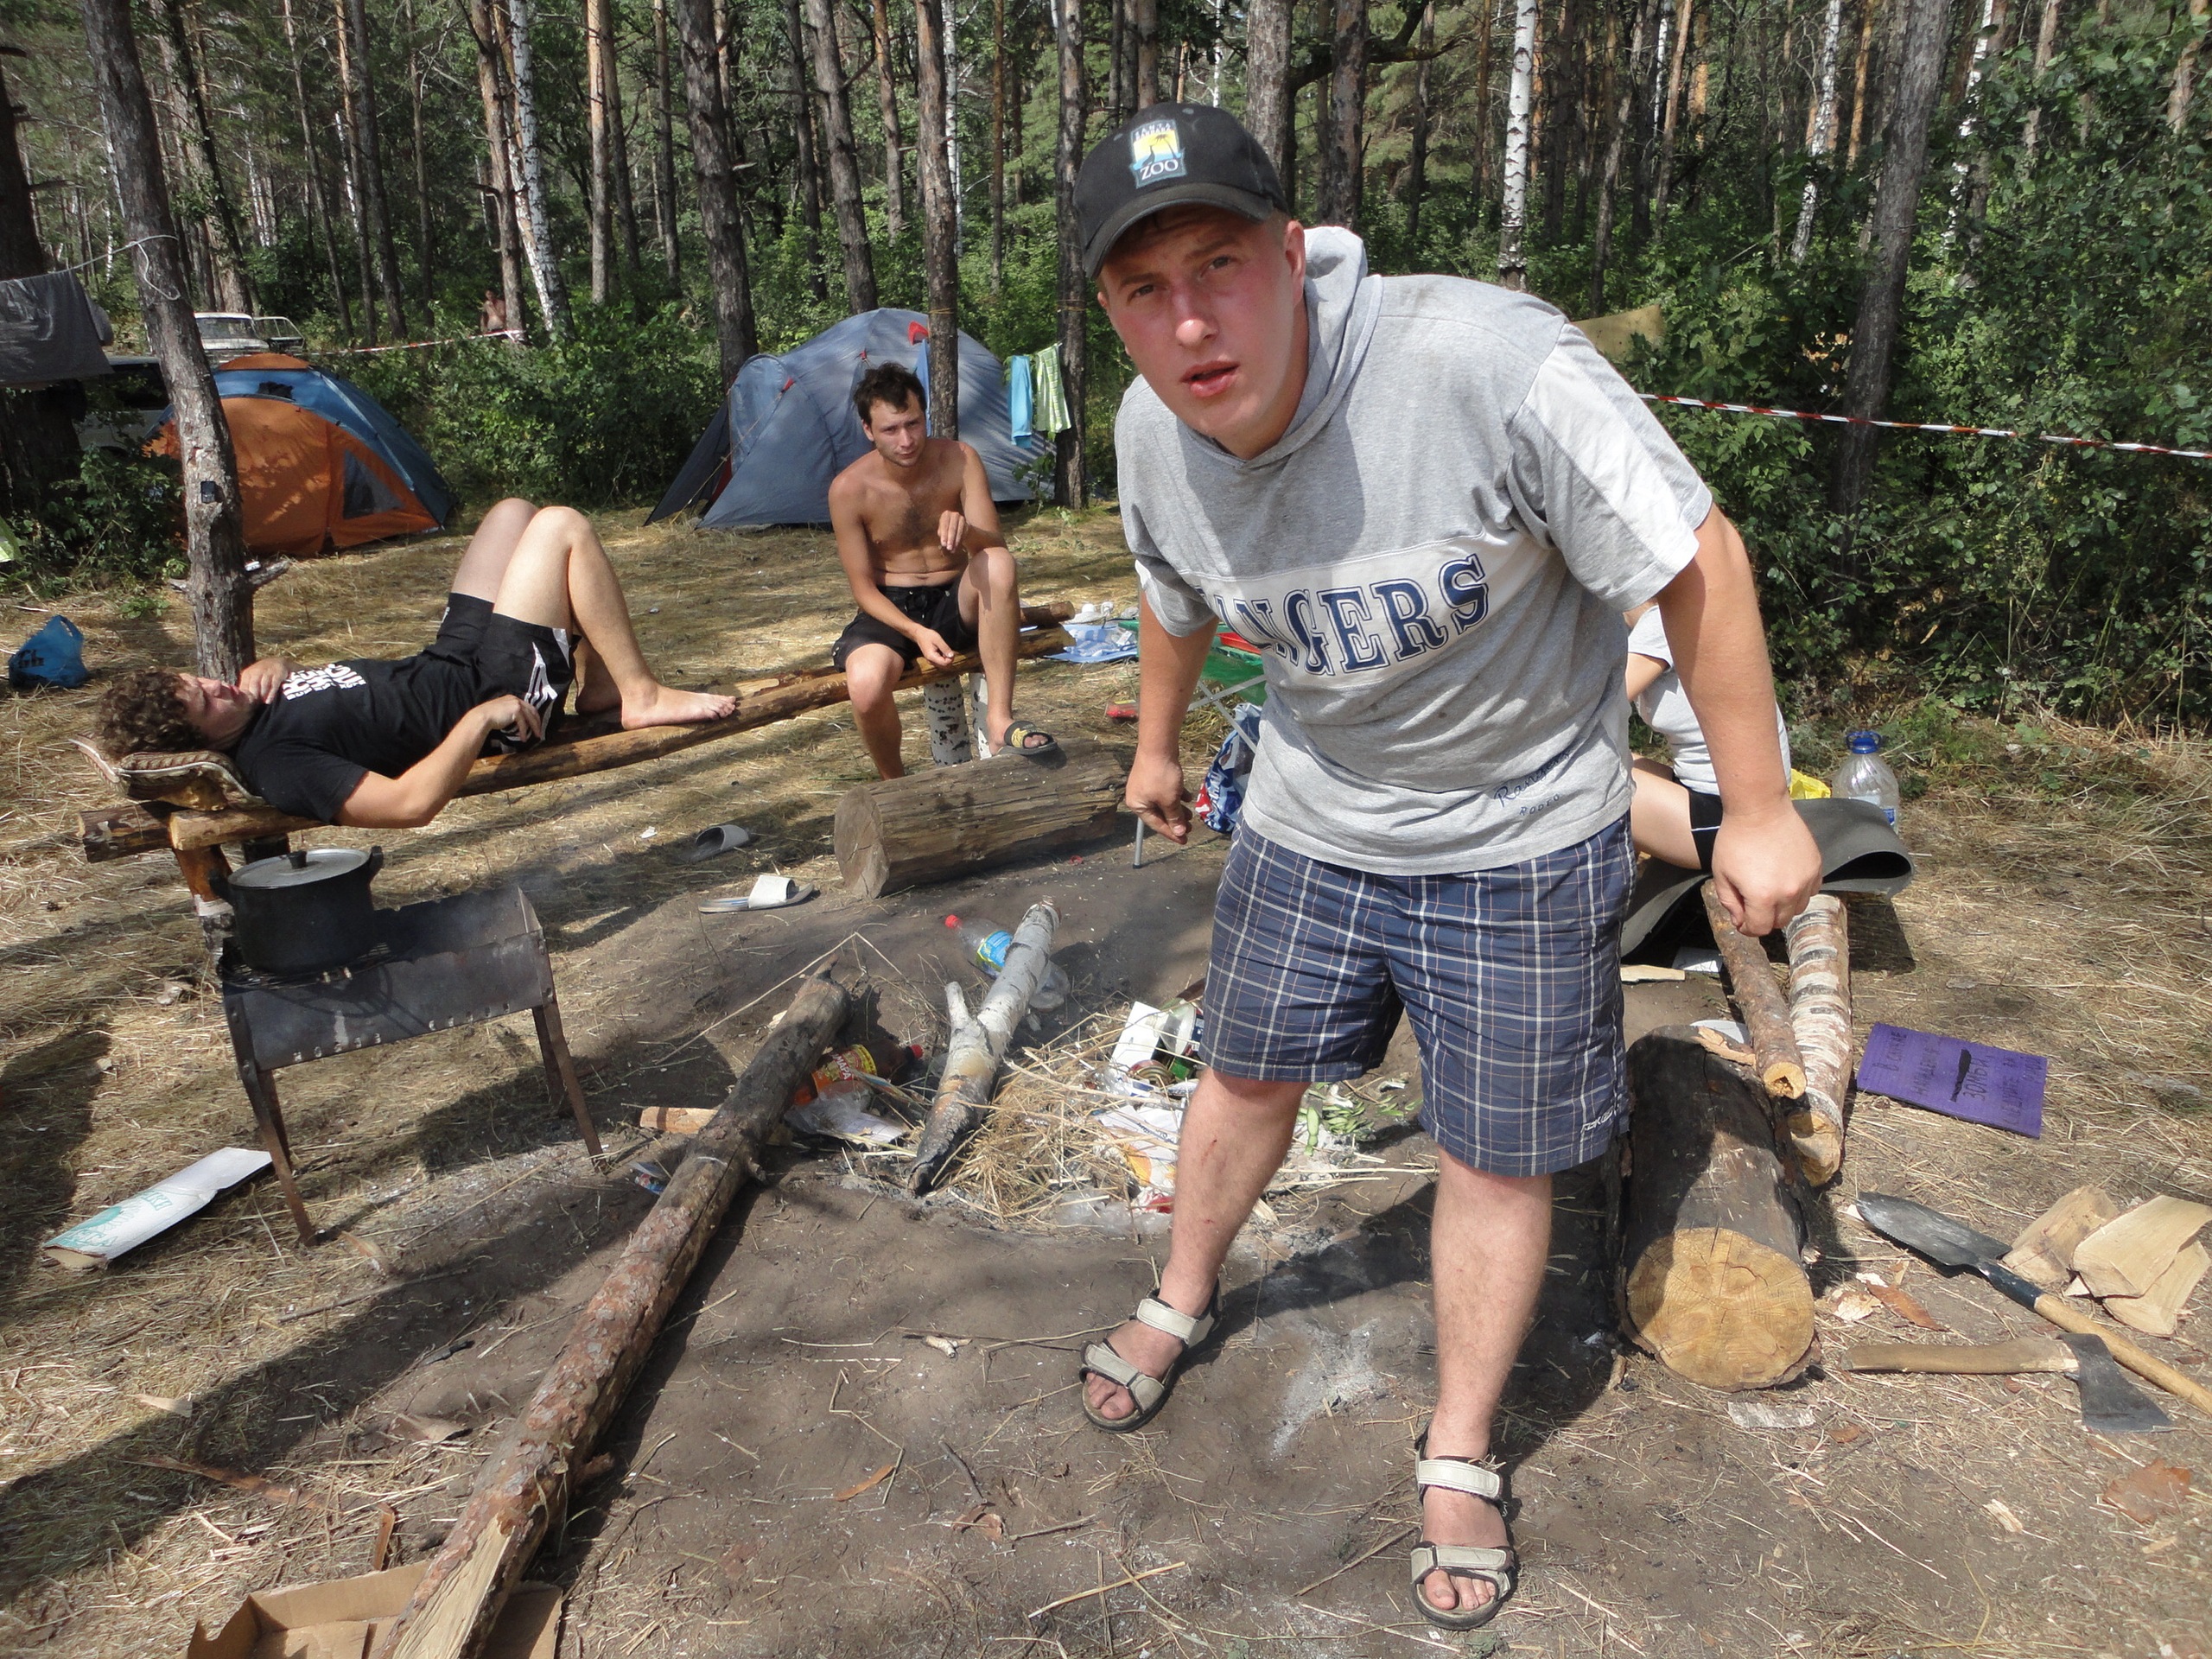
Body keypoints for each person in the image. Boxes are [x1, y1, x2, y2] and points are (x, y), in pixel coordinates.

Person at [1069, 104, 1821, 1631]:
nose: (1192, 320)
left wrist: (1755, 805)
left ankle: (1461, 1447)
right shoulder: (1152, 436)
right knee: (1245, 1072)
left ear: (1293, 255)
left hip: (1520, 834)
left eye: (1221, 265)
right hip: (1312, 818)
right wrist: (1154, 744)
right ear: (1110, 313)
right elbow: (1169, 592)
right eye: (1146, 289)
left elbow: (1700, 557)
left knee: (1494, 1153)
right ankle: (1180, 1295)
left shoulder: (1488, 366)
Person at [92, 501, 734, 828]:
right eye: (205, 701)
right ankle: (639, 695)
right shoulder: (278, 763)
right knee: (561, 526)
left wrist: (279, 664)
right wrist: (481, 719)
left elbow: (327, 694)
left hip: (449, 661)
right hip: (498, 698)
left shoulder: (251, 703)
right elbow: (408, 805)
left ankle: (599, 687)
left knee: (512, 512)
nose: (216, 685)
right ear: (198, 742)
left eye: (198, 680)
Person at [826, 362, 1054, 779]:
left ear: (925, 415)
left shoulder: (960, 459)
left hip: (955, 598)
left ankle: (1000, 719)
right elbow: (863, 589)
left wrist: (967, 531)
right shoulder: (848, 489)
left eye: (913, 424)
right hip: (892, 609)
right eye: (891, 430)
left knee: (1000, 563)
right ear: (868, 430)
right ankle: (895, 785)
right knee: (865, 685)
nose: (906, 440)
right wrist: (916, 632)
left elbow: (993, 550)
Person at [1624, 601, 1794, 870]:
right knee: (1618, 760)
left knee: (1599, 777)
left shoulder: (1661, 620)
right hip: (1739, 803)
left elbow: (1602, 703)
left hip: (1729, 820)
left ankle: (1600, 886)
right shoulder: (1685, 615)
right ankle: (1628, 879)